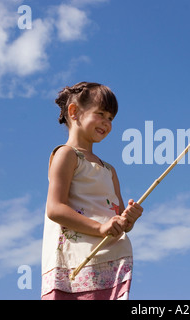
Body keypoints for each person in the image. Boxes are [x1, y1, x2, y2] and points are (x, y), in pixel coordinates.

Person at [41, 82, 143, 300]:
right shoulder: (67, 155)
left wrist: (129, 219)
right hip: (76, 265)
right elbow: (55, 208)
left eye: (111, 119)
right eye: (101, 114)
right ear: (74, 111)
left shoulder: (109, 170)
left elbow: (119, 221)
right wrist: (100, 228)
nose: (107, 123)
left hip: (109, 262)